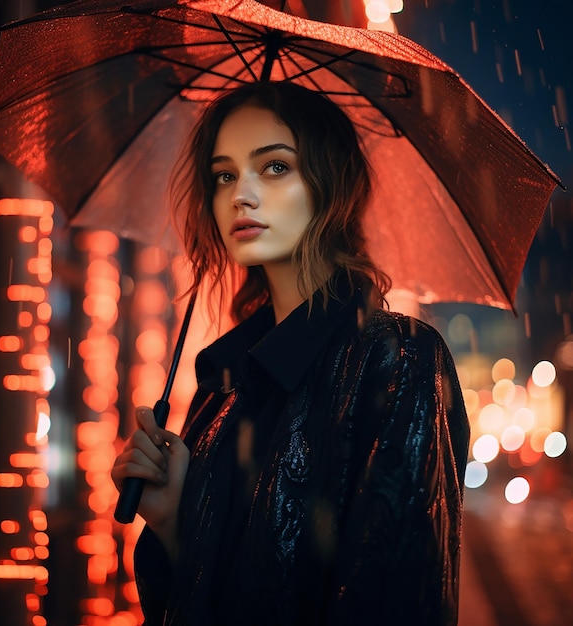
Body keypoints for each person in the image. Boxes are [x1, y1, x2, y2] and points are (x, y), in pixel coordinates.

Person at [112, 81, 470, 626]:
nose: (241, 195)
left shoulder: (399, 360)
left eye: (274, 167)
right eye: (225, 174)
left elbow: (397, 594)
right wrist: (175, 521)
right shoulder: (222, 385)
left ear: (331, 186)